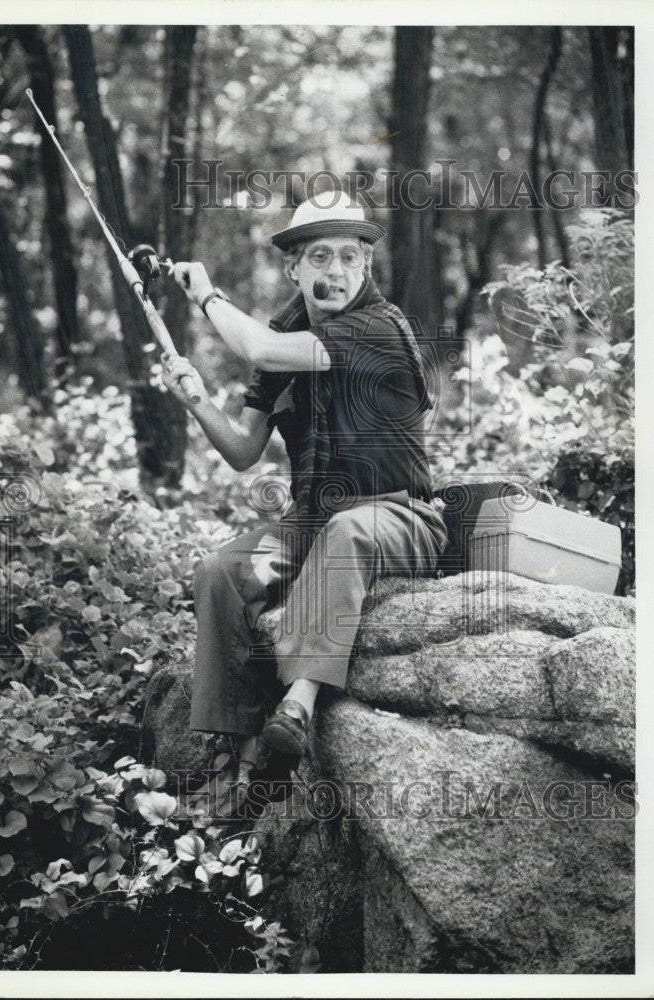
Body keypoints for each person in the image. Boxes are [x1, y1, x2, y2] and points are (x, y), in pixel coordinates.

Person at [159, 192, 448, 816]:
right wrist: (198, 401)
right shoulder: (288, 332)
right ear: (295, 268)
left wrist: (207, 294)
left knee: (348, 528)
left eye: (349, 256)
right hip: (310, 525)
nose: (335, 271)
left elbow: (256, 348)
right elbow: (244, 449)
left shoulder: (379, 327)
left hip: (399, 517)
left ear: (366, 266)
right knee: (219, 573)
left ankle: (299, 706)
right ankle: (236, 763)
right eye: (319, 256)